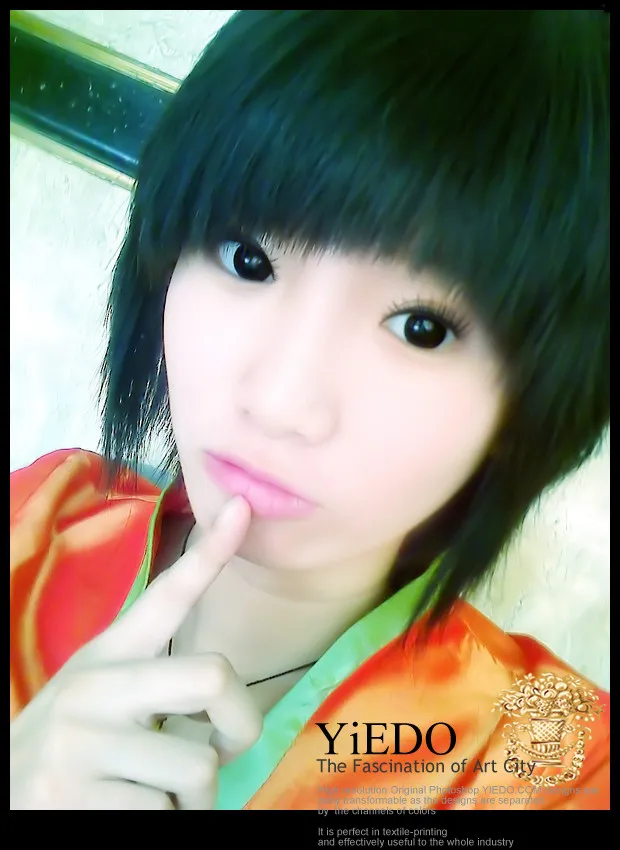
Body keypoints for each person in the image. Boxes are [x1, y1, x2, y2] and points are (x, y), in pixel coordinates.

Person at [10, 11, 609, 811]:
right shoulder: (34, 528)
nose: (280, 402)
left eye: (421, 329)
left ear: (536, 394)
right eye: (246, 259)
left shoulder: (557, 765)